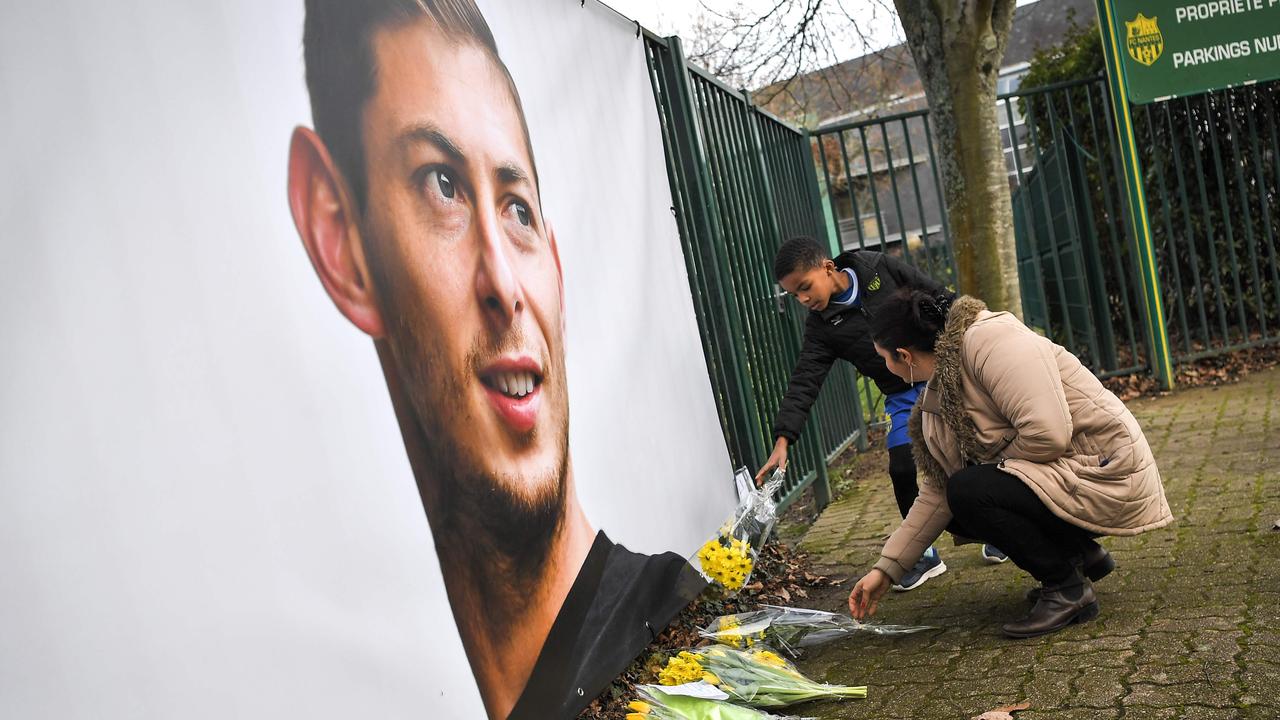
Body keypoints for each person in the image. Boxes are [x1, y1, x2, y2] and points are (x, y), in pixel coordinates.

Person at [286, 2, 702, 717]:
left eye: (518, 209)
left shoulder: (677, 637)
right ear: (339, 237)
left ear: (557, 265)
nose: (506, 288)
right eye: (440, 184)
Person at [848, 289, 1172, 637]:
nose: (882, 369)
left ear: (904, 355)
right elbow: (937, 491)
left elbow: (1048, 436)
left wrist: (985, 466)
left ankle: (1067, 588)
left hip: (1106, 468)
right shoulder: (939, 390)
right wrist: (887, 568)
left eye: (884, 358)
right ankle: (1079, 553)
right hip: (1066, 471)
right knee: (960, 496)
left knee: (972, 490)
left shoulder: (991, 341)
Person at [757, 237, 1007, 590]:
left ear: (828, 267)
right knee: (902, 466)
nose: (803, 300)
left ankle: (1004, 526)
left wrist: (984, 333)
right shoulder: (821, 327)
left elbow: (939, 295)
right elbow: (805, 380)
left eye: (805, 287)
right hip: (903, 395)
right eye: (794, 295)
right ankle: (921, 556)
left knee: (978, 449)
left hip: (942, 372)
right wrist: (784, 439)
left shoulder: (877, 268)